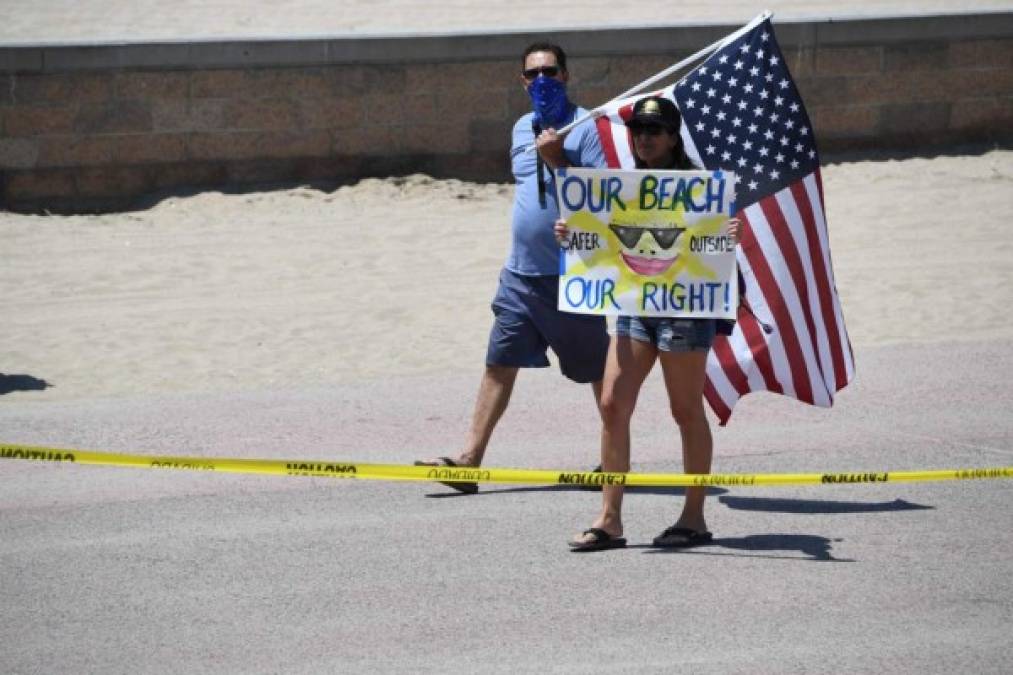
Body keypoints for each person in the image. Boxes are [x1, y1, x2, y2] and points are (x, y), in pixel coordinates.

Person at [415, 42, 609, 493]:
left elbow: (603, 199)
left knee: (598, 372)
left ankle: (612, 460)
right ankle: (469, 461)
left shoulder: (589, 129)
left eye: (550, 71)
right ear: (522, 80)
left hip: (572, 276)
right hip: (520, 274)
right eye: (532, 74)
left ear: (566, 75)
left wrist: (560, 160)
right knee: (499, 363)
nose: (542, 80)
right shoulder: (521, 128)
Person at [560, 96, 741, 551]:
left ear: (673, 135)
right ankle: (610, 518)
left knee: (684, 411)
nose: (644, 138)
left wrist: (728, 234)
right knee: (612, 404)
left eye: (653, 130)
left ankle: (693, 516)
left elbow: (713, 248)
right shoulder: (625, 185)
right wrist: (574, 233)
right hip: (633, 304)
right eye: (638, 130)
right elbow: (602, 239)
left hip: (683, 308)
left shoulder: (699, 185)